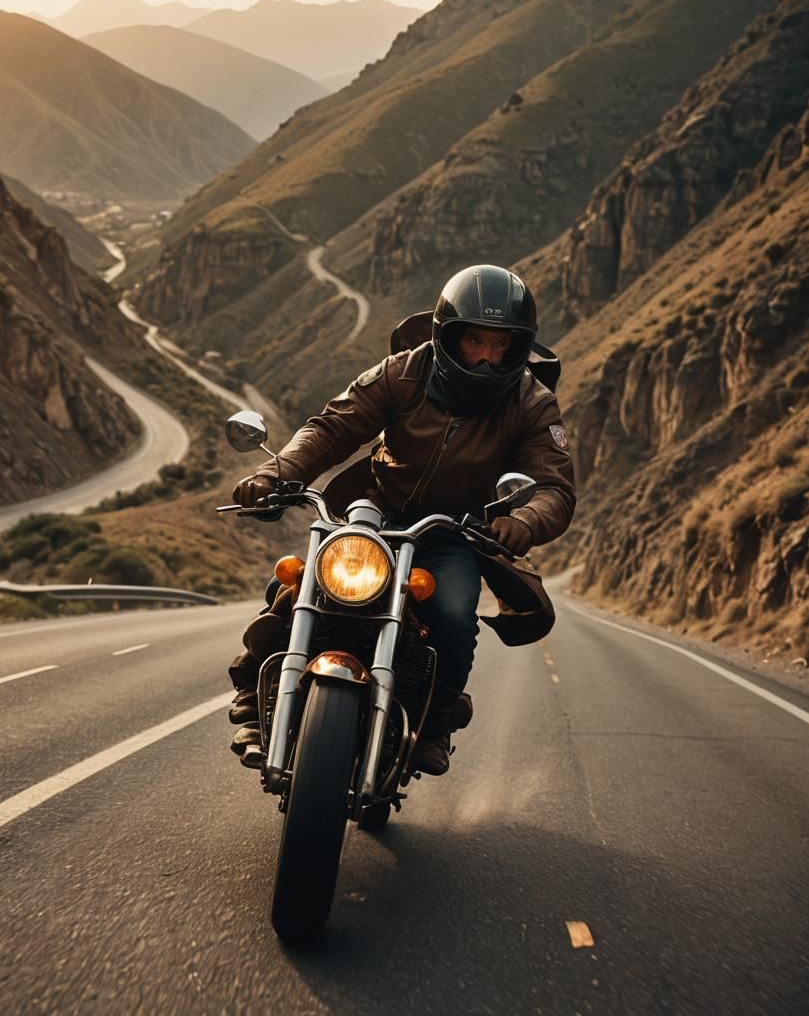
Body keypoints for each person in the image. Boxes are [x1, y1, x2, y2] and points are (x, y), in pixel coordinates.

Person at [228, 264, 576, 775]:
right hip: (374, 509)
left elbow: (553, 487)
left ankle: (433, 724)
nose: (485, 356)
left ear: (518, 346)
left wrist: (522, 521)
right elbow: (331, 428)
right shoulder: (403, 372)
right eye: (474, 340)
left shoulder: (531, 403)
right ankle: (255, 686)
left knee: (455, 615)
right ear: (447, 335)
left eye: (500, 345)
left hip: (454, 530)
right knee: (301, 584)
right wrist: (275, 472)